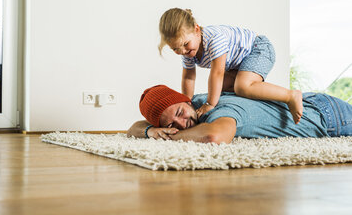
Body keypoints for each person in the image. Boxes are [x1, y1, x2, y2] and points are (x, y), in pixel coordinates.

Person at [158, 8, 303, 124]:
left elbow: (217, 73)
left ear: (196, 30)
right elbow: (188, 78)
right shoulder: (188, 52)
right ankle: (245, 101)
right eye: (175, 49)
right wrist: (186, 102)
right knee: (224, 87)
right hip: (238, 64)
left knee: (242, 86)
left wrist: (210, 104)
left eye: (185, 44)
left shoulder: (214, 39)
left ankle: (290, 96)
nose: (183, 51)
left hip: (258, 49)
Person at [127, 85, 352, 144]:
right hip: (315, 105)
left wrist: (168, 135)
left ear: (186, 99)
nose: (180, 123)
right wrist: (151, 130)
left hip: (328, 117)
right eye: (170, 123)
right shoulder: (190, 108)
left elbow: (214, 137)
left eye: (179, 112)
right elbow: (133, 129)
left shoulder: (217, 108)